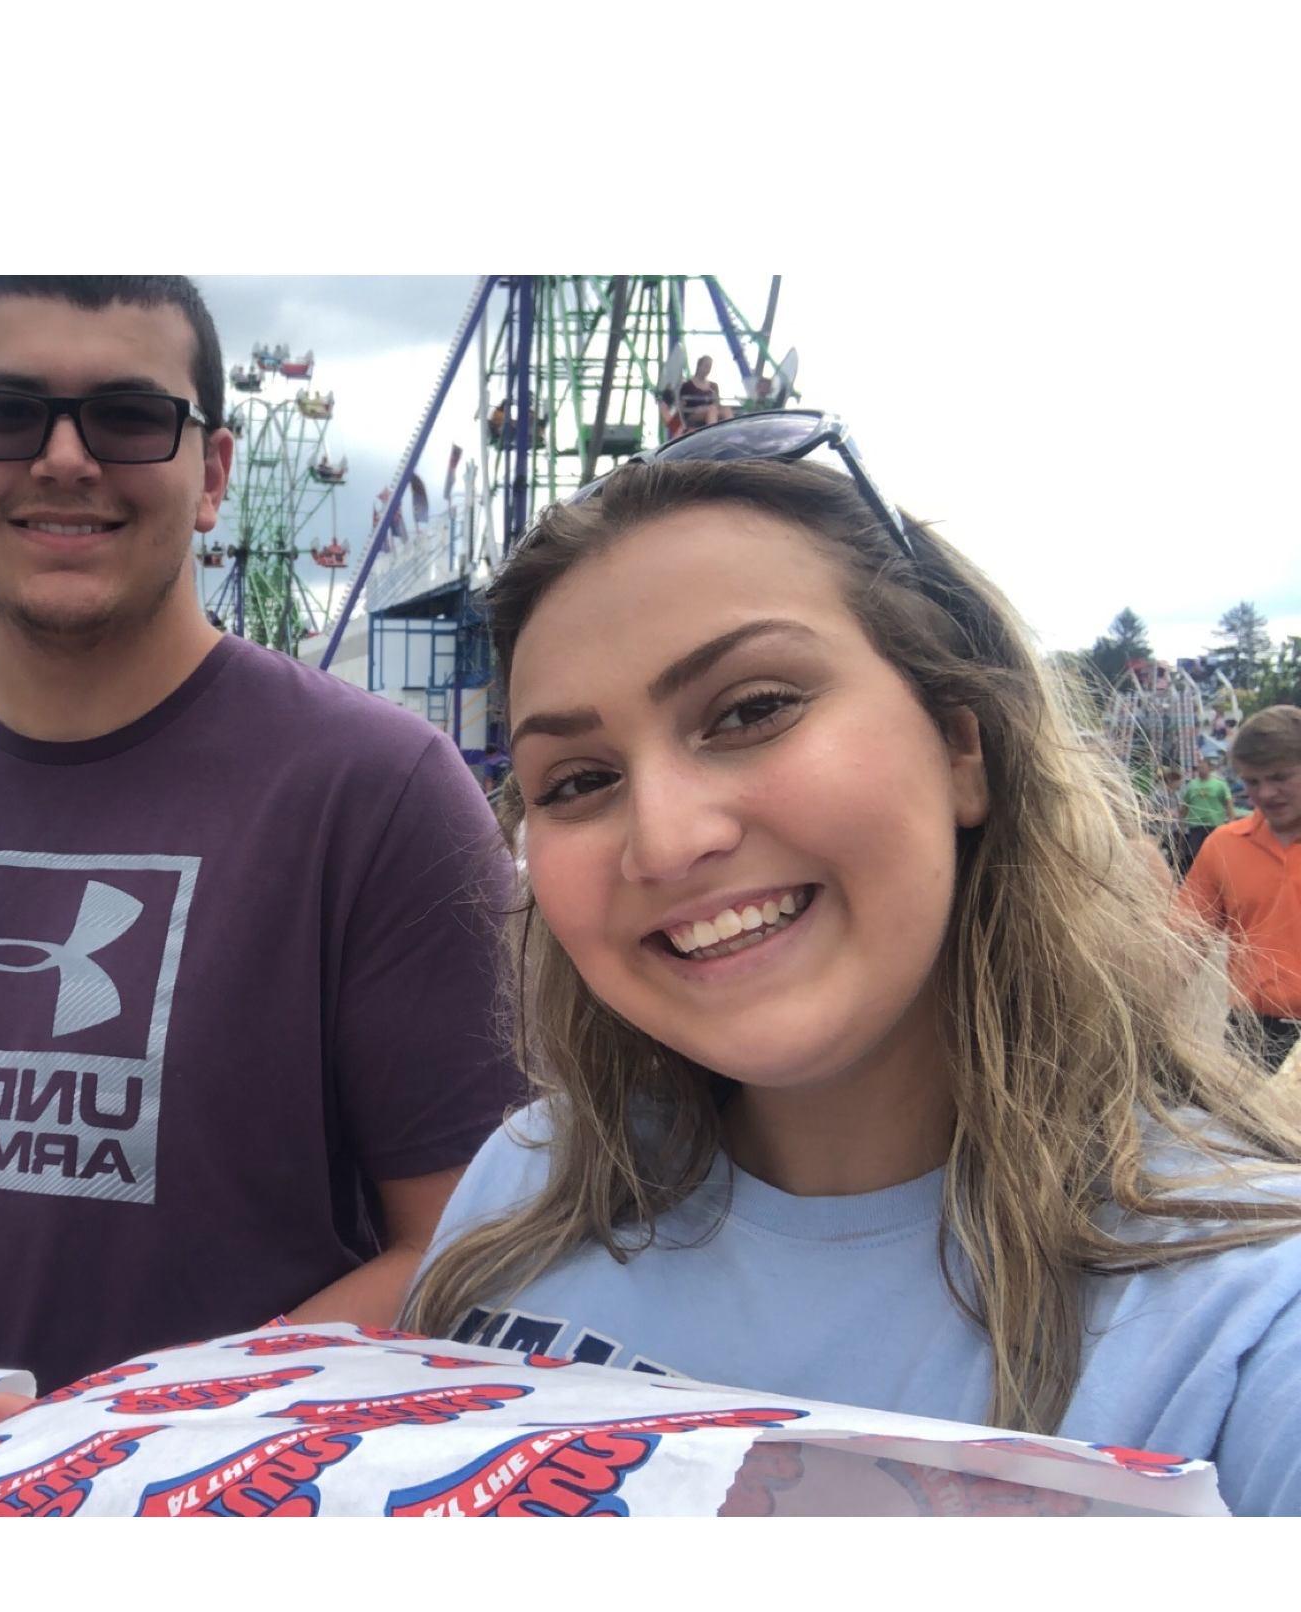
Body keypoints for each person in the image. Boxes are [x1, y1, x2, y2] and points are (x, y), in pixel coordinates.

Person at [398, 431, 1301, 1513]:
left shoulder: (1248, 1329)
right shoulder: (530, 1181)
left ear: (962, 746)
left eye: (752, 709)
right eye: (579, 780)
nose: (667, 840)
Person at [0, 273, 521, 1393]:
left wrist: (92, 1450)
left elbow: (465, 1242)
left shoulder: (375, 793)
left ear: (213, 472)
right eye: (5, 414)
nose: (66, 458)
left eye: (129, 417)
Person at [1184, 705, 1301, 1073]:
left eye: (1280, 777)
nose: (1266, 793)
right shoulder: (1224, 846)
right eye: (1252, 781)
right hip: (1253, 1034)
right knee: (1244, 1131)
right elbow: (1183, 942)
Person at [1179, 759, 1236, 876]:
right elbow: (1184, 806)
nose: (1201, 769)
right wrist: (1181, 823)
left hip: (1214, 825)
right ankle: (1197, 878)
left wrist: (1231, 821)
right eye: (1199, 767)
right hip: (1196, 825)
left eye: (1203, 767)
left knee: (1216, 854)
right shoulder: (1191, 785)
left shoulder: (1220, 785)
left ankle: (1216, 876)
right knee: (1195, 854)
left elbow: (1228, 803)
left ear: (1210, 769)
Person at [677, 354, 725, 429]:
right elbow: (681, 407)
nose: (708, 369)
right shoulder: (687, 386)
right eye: (706, 366)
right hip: (694, 413)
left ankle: (734, 435)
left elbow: (717, 403)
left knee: (725, 410)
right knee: (711, 410)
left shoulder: (713, 386)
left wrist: (710, 407)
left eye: (710, 367)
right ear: (699, 366)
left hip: (711, 410)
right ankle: (712, 433)